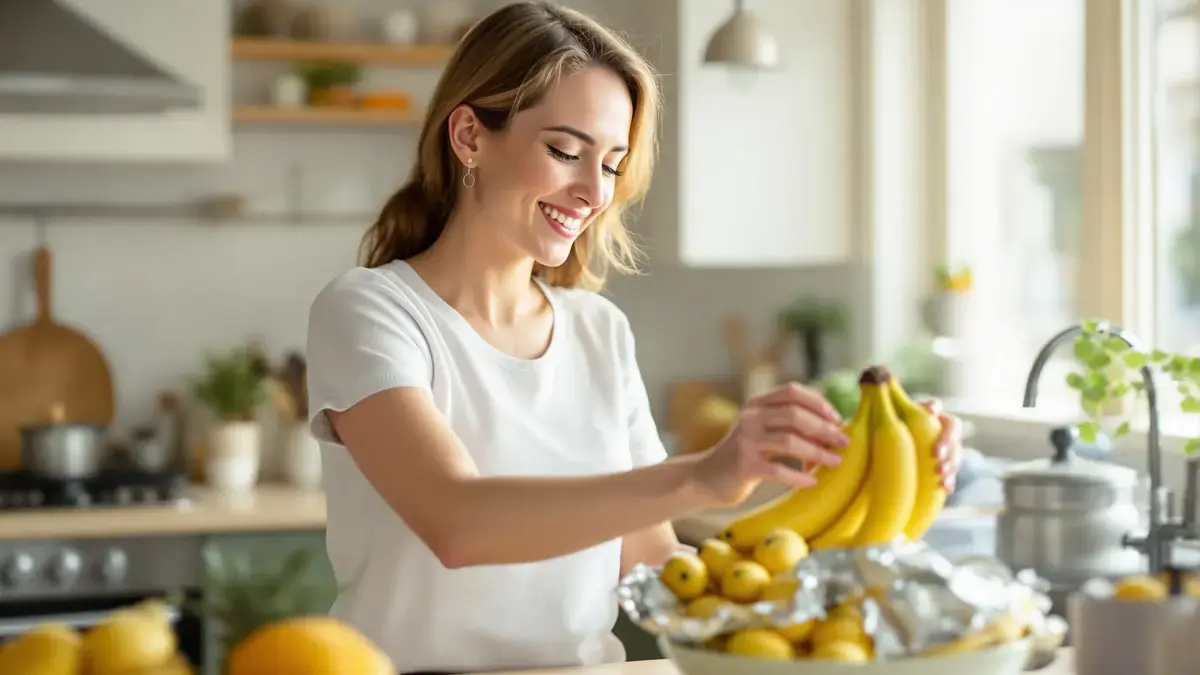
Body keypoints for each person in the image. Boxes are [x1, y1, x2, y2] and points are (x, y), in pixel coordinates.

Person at [304, 2, 963, 673]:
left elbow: (652, 559)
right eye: (565, 151)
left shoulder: (598, 330)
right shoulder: (371, 311)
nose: (594, 191)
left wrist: (863, 482)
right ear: (470, 136)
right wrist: (703, 474)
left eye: (613, 163)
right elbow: (458, 521)